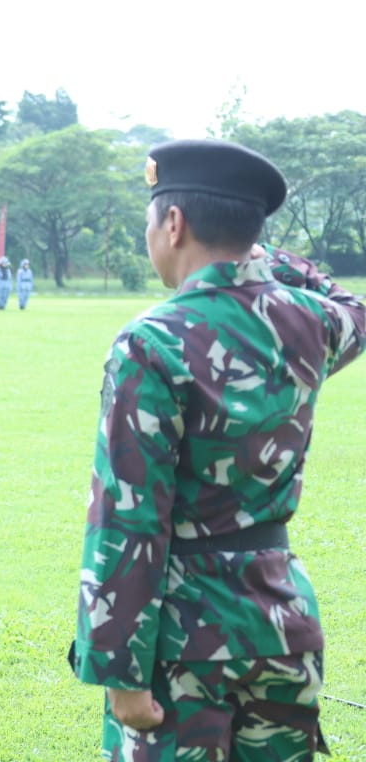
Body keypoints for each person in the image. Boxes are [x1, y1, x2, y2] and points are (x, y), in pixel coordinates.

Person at [72, 139, 366, 760]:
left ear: (172, 224)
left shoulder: (150, 343)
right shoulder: (308, 325)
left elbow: (128, 517)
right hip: (282, 626)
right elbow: (354, 306)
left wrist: (119, 667)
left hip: (184, 642)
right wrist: (260, 254)